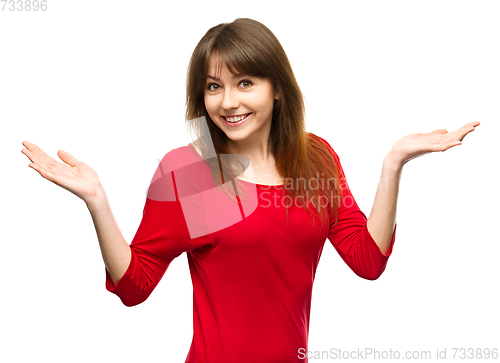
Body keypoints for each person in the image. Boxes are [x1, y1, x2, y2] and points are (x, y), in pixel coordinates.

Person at [21, 18, 480, 363]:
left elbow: (367, 260)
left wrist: (393, 164)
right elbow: (136, 286)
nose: (229, 102)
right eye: (214, 87)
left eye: (246, 83)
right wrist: (98, 201)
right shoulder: (194, 173)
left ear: (277, 87)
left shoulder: (314, 158)